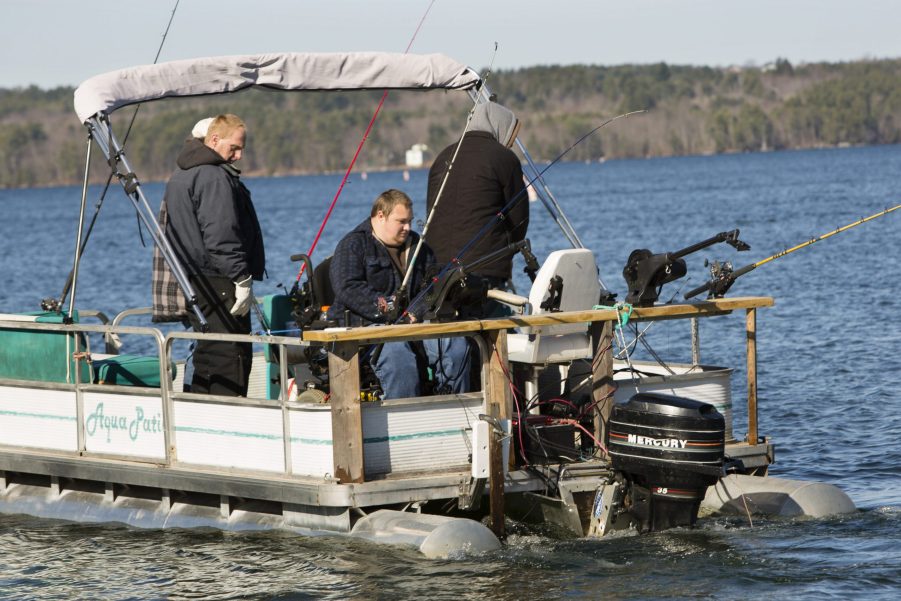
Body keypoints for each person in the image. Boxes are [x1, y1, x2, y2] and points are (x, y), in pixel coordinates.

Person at [155, 113, 265, 396]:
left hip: (194, 281)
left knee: (207, 355)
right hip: (219, 282)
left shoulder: (181, 174)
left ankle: (196, 418)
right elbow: (221, 235)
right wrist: (241, 278)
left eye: (242, 149)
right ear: (214, 140)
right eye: (234, 148)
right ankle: (225, 426)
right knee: (231, 358)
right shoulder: (213, 176)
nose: (238, 156)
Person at [327, 189, 470, 399]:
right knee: (397, 353)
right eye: (401, 221)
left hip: (414, 325)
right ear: (380, 216)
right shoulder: (353, 245)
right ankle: (403, 423)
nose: (408, 227)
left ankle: (456, 409)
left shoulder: (420, 248)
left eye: (410, 221)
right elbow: (347, 287)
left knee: (455, 345)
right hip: (365, 328)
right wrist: (387, 309)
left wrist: (415, 312)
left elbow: (430, 287)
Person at [425, 100, 528, 300]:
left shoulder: (443, 156)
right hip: (486, 268)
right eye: (511, 136)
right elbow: (519, 219)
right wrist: (507, 251)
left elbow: (431, 212)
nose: (511, 143)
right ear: (500, 126)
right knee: (498, 324)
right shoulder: (504, 158)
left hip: (438, 269)